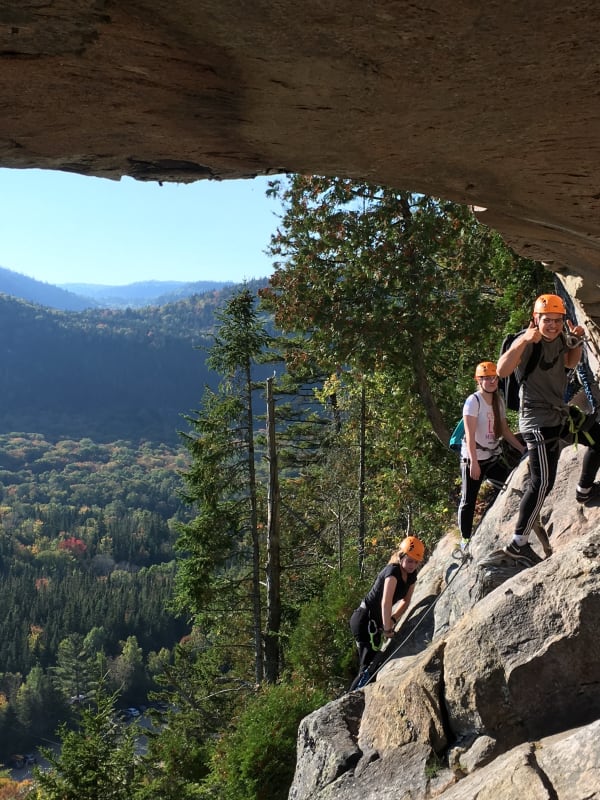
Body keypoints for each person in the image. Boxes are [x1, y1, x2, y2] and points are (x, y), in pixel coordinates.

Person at [496, 292, 600, 566]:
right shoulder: (527, 341)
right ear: (536, 319)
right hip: (537, 422)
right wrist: (523, 341)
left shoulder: (562, 337)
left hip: (559, 415)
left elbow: (569, 363)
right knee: (542, 481)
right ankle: (518, 543)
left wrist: (576, 341)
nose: (552, 325)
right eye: (546, 320)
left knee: (598, 439)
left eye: (557, 320)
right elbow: (502, 371)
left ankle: (584, 490)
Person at [458, 361, 525, 550]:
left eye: (494, 378)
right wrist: (473, 462)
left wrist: (522, 449)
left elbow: (504, 430)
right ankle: (465, 539)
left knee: (510, 486)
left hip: (492, 457)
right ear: (478, 380)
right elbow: (470, 435)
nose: (492, 381)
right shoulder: (473, 401)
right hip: (473, 458)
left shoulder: (498, 401)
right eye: (486, 378)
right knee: (468, 500)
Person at [348, 536, 424, 691]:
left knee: (373, 665)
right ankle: (350, 698)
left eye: (416, 562)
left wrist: (393, 619)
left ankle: (357, 695)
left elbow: (406, 601)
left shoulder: (412, 575)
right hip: (364, 619)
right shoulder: (392, 571)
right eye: (410, 560)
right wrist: (388, 629)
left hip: (375, 622)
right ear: (401, 556)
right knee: (368, 666)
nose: (413, 565)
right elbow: (386, 602)